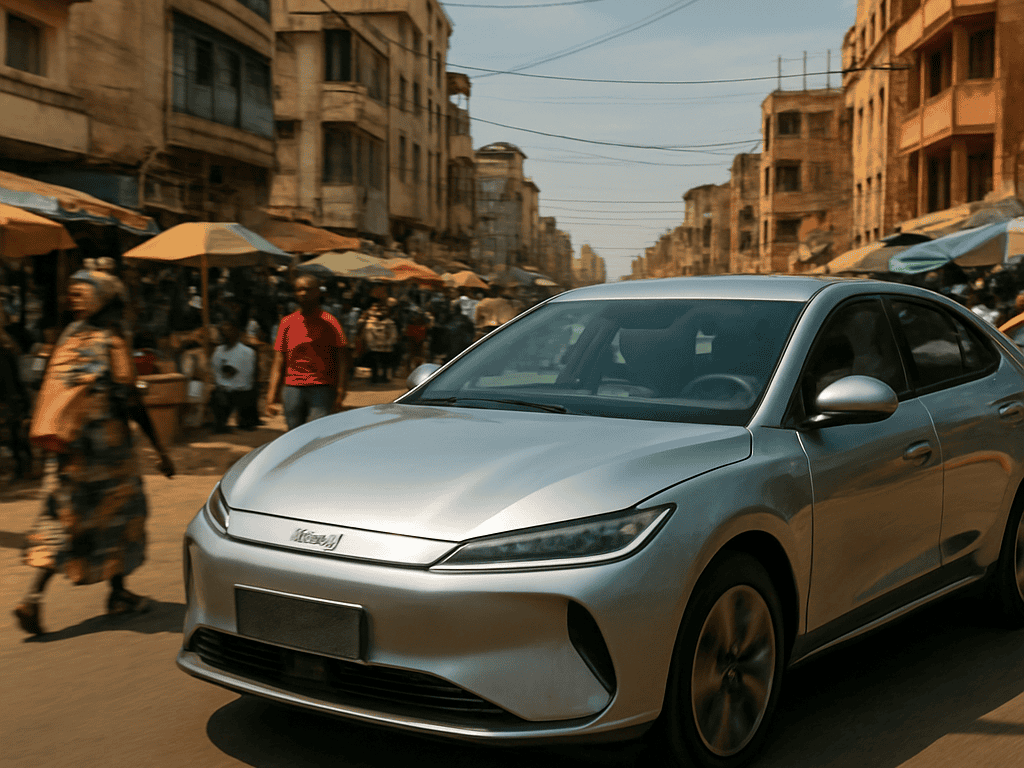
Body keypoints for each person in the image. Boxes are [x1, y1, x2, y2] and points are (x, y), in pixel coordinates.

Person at [14, 270, 175, 636]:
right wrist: (161, 450)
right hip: (109, 455)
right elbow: (129, 400)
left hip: (67, 451)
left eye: (80, 294)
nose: (74, 300)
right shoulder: (113, 339)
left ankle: (33, 597)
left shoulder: (70, 336)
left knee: (61, 519)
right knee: (125, 515)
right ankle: (118, 594)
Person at [266, 275, 348, 431]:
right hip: (292, 388)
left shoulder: (330, 322)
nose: (303, 293)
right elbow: (279, 360)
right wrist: (271, 394)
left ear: (318, 292)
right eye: (299, 289)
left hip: (321, 388)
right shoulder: (287, 323)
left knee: (316, 432)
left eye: (308, 289)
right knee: (294, 433)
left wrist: (341, 389)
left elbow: (342, 359)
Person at [210, 320, 258, 432]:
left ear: (237, 333)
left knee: (249, 394)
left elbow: (245, 375)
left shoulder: (248, 352)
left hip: (242, 390)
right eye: (223, 331)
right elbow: (217, 372)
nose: (225, 334)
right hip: (225, 390)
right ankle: (221, 423)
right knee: (216, 395)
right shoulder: (218, 351)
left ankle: (246, 419)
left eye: (228, 331)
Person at [361, 304, 398, 384]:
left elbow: (393, 335)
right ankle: (374, 377)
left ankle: (384, 376)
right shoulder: (370, 323)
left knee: (385, 363)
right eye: (380, 310)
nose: (382, 313)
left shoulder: (390, 323)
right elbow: (369, 335)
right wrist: (372, 343)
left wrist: (389, 342)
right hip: (374, 348)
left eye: (385, 310)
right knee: (374, 363)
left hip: (386, 348)